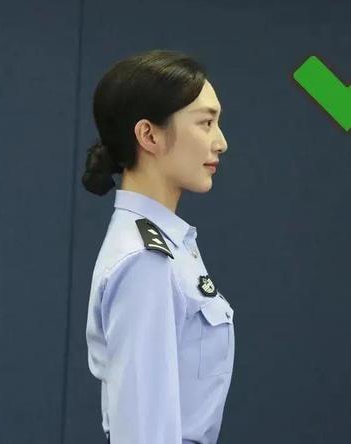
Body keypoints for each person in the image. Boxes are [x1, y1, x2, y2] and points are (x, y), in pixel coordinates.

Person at [82, 49, 234, 444]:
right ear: (149, 135)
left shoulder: (167, 245)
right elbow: (142, 432)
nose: (221, 142)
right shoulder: (146, 260)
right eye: (206, 123)